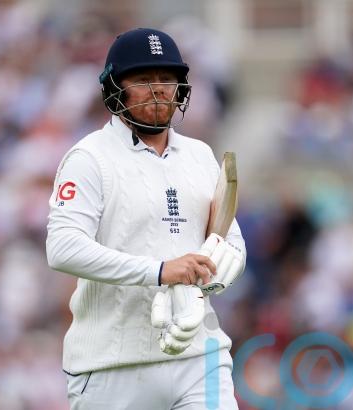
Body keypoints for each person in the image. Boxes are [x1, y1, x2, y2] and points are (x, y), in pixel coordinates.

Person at [46, 27, 246, 409]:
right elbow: (62, 249)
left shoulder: (200, 155)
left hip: (200, 357)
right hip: (112, 365)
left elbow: (229, 241)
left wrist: (216, 273)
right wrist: (159, 271)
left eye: (167, 79)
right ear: (113, 89)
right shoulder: (88, 159)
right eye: (142, 80)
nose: (158, 90)